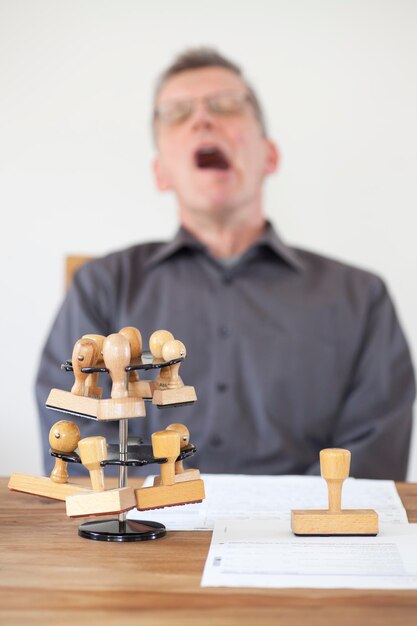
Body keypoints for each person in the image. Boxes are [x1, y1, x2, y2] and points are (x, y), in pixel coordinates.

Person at [35, 47, 415, 479]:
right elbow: (68, 430)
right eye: (177, 113)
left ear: (269, 155)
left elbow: (374, 452)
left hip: (298, 540)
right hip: (142, 534)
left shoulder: (361, 296)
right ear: (161, 172)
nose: (203, 119)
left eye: (226, 105)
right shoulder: (101, 284)